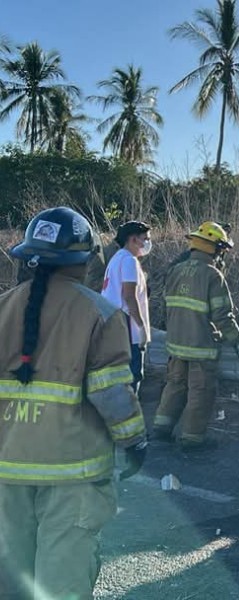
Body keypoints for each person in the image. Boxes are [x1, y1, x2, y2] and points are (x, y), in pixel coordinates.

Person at [0, 207, 147, 600]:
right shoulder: (100, 313)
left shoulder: (2, 306)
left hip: (7, 476)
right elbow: (111, 394)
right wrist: (134, 443)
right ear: (84, 261)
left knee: (11, 583)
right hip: (72, 477)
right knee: (60, 585)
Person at [152, 221, 239, 451]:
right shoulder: (212, 275)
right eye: (221, 249)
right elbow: (223, 315)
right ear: (213, 248)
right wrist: (237, 339)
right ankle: (192, 440)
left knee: (174, 385)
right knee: (200, 392)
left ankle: (162, 428)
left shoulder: (175, 271)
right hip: (200, 346)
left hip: (175, 343)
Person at [101, 221, 152, 396]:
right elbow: (129, 296)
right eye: (145, 239)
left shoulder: (116, 258)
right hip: (127, 325)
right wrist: (141, 326)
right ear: (133, 239)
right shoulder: (129, 261)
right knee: (132, 376)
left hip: (113, 322)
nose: (147, 243)